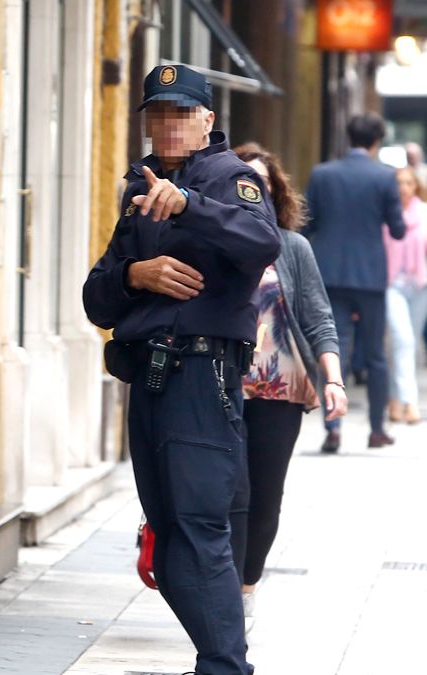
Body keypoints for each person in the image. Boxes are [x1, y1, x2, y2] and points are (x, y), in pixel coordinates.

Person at [83, 64, 280, 675]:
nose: (168, 124)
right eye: (158, 114)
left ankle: (224, 666)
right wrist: (134, 276)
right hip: (148, 377)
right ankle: (220, 659)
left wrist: (191, 207)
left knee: (199, 529)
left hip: (202, 376)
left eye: (181, 113)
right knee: (165, 545)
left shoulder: (233, 177)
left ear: (207, 121)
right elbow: (96, 299)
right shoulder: (137, 187)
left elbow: (261, 243)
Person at [228, 143, 347, 617]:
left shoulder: (293, 247)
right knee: (229, 492)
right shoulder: (208, 242)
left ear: (274, 194)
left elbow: (319, 318)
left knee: (264, 497)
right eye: (242, 184)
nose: (250, 193)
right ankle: (221, 593)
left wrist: (333, 380)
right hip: (221, 385)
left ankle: (245, 587)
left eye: (261, 185)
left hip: (281, 390)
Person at [303, 112, 406, 451]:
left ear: (348, 138)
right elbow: (397, 229)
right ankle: (376, 430)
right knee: (376, 354)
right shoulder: (385, 177)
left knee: (333, 349)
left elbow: (307, 222)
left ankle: (333, 429)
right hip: (370, 276)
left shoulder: (322, 174)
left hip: (329, 273)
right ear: (377, 141)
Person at [384, 166, 427, 424]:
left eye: (409, 183)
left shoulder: (424, 213)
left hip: (420, 285)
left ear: (416, 186)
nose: (404, 187)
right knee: (403, 340)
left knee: (406, 345)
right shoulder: (386, 215)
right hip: (392, 285)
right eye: (399, 182)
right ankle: (411, 402)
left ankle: (394, 400)